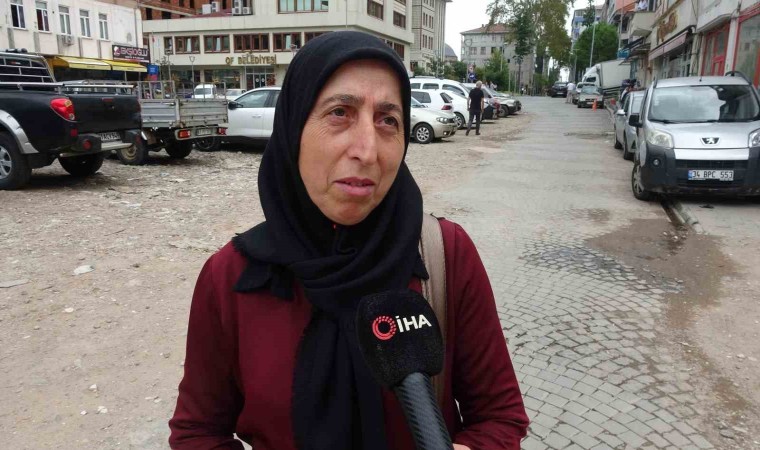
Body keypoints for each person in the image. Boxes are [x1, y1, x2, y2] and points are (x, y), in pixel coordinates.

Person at [168, 31, 528, 450]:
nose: (367, 151)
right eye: (340, 113)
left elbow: (500, 416)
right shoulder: (231, 276)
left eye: (388, 120)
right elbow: (198, 432)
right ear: (293, 127)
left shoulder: (445, 254)